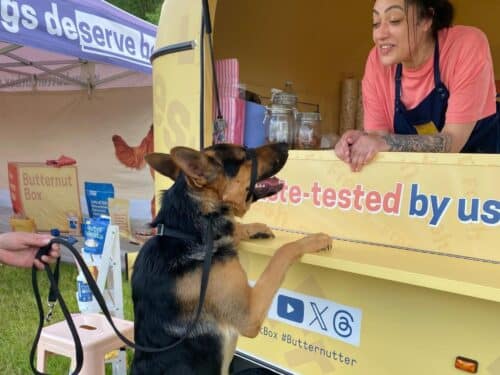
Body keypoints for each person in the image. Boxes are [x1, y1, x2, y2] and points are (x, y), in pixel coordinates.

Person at [335, 0, 500, 172]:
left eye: (394, 20)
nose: (380, 34)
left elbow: (452, 142)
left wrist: (383, 142)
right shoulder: (377, 62)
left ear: (427, 20)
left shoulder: (466, 45)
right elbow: (378, 139)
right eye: (375, 24)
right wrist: (361, 142)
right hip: (421, 184)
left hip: (483, 179)